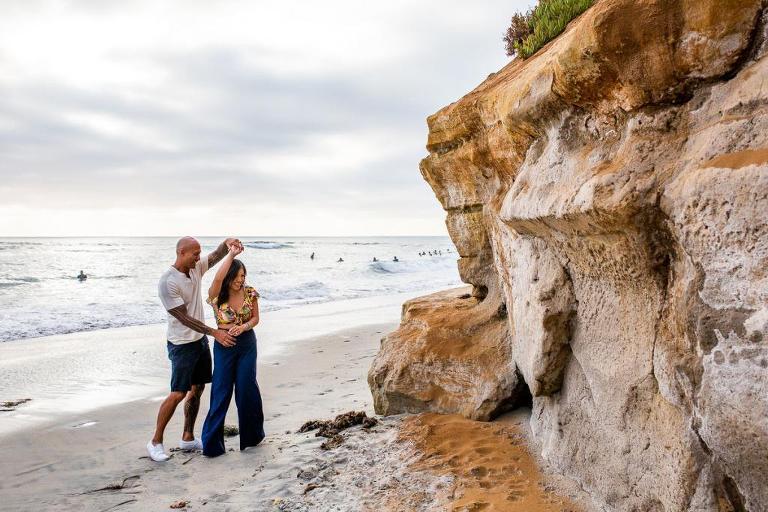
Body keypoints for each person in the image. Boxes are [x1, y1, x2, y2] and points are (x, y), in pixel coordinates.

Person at [148, 236, 240, 462]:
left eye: (199, 253)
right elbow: (184, 318)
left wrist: (227, 244)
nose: (199, 257)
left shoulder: (195, 268)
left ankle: (187, 438)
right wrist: (215, 332)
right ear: (181, 253)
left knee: (197, 388)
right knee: (178, 392)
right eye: (195, 254)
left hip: (199, 341)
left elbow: (216, 256)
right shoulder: (168, 282)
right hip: (181, 344)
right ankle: (155, 442)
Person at [201, 243, 264, 457]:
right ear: (229, 276)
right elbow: (217, 278)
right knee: (221, 392)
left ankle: (252, 437)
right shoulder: (217, 294)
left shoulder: (249, 292)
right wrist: (231, 254)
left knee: (247, 389)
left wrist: (244, 326)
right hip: (224, 345)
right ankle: (212, 445)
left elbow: (255, 318)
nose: (241, 279)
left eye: (243, 275)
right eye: (237, 276)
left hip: (247, 343)